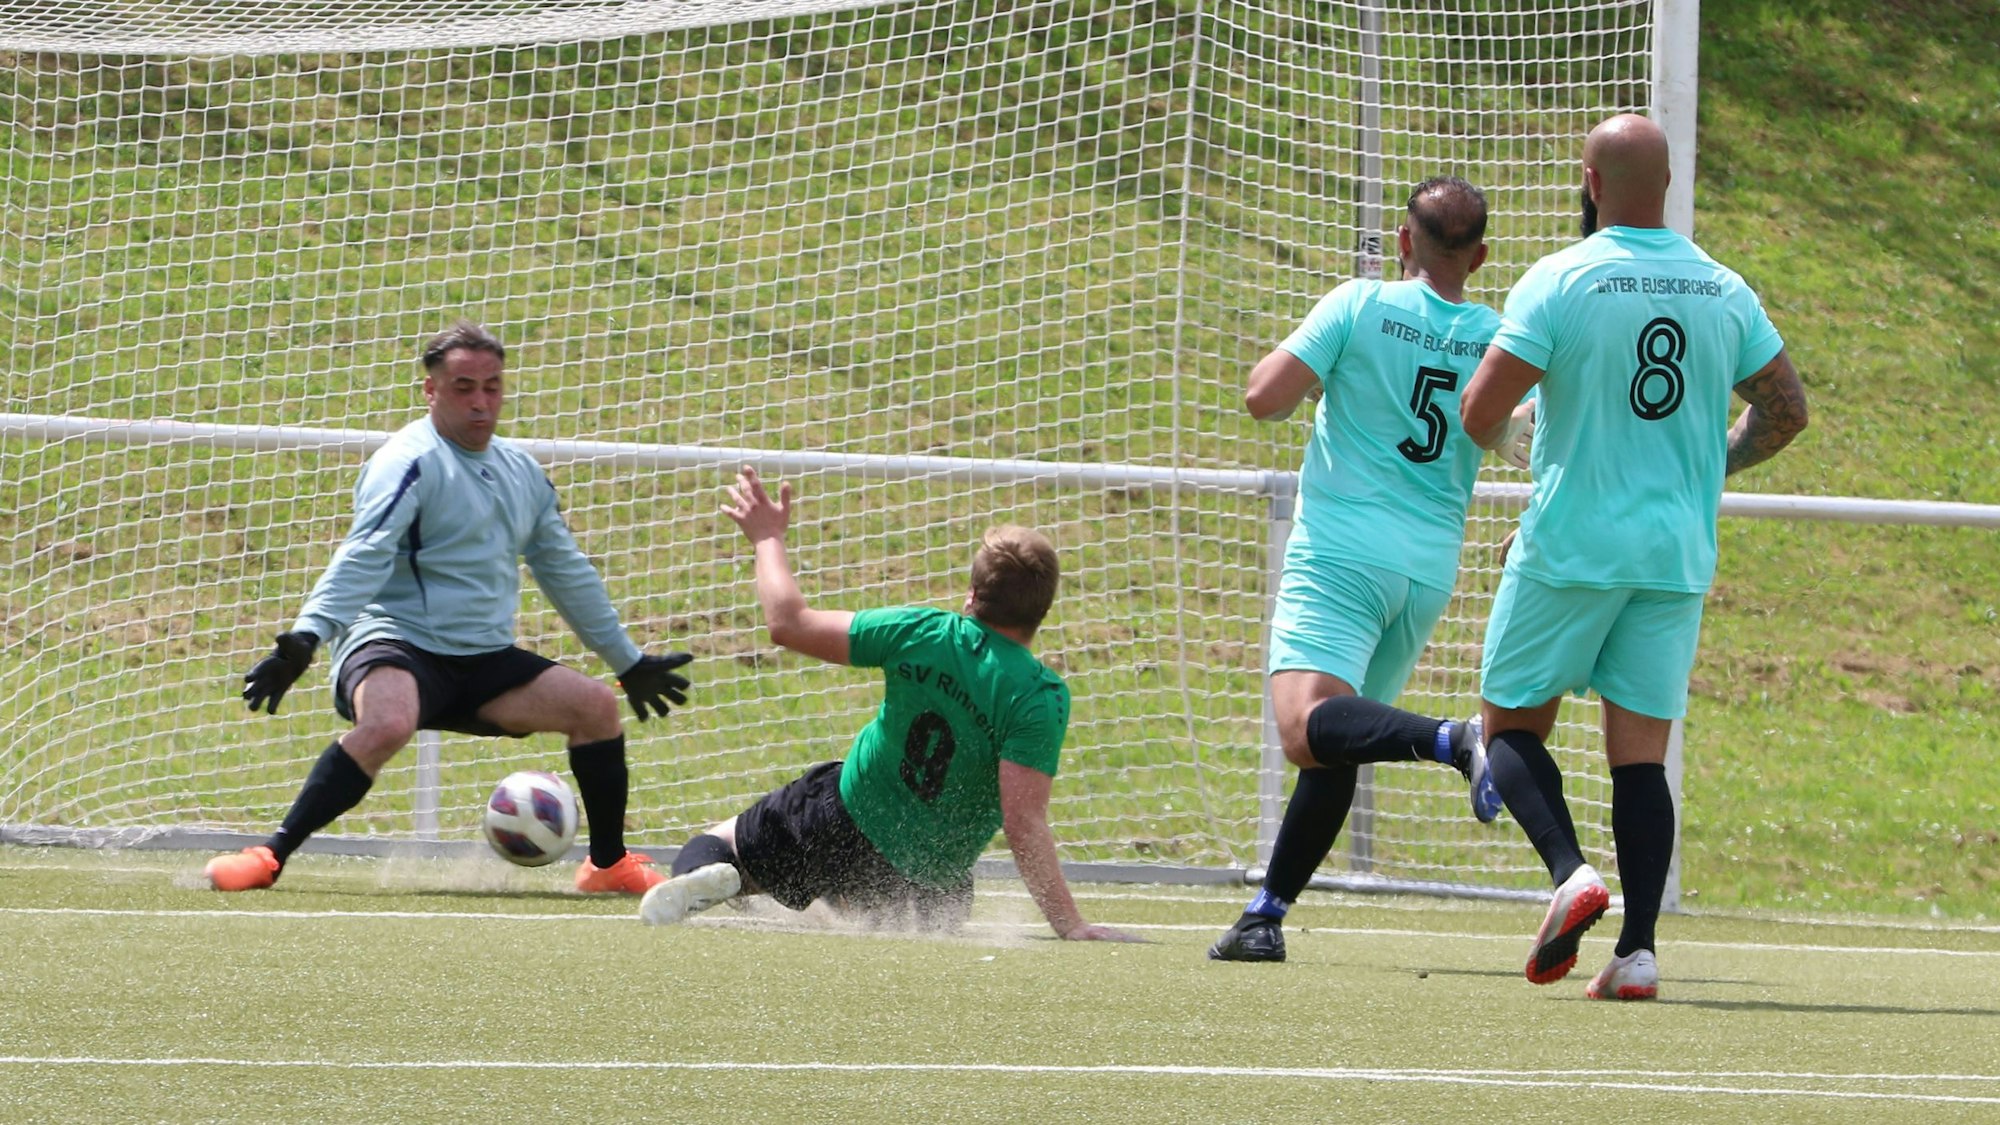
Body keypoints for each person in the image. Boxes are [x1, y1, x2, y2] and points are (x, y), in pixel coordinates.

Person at [1460, 114, 1809, 1000]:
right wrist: (1709, 463)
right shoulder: (1726, 289)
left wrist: (1527, 441)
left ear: (1590, 181)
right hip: (1674, 554)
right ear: (1670, 182)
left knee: (1507, 725)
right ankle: (1639, 952)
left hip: (1573, 543)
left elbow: (1477, 410)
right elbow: (1786, 411)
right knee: (1640, 756)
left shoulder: (1563, 278)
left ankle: (1572, 873)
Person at [207, 320, 694, 895]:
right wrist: (309, 637)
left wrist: (626, 660)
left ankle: (607, 865)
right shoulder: (407, 462)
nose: (481, 402)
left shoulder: (522, 474)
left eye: (492, 386)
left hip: (481, 658)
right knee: (388, 722)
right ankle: (269, 855)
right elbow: (364, 555)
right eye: (464, 388)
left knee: (594, 708)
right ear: (431, 391)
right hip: (395, 641)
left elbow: (565, 572)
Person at [1207, 176, 1537, 963]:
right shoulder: (1497, 337)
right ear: (1481, 256)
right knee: (1341, 736)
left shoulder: (1357, 304)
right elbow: (1512, 436)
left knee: (1303, 726)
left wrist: (1325, 376)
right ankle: (1265, 913)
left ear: (1402, 241)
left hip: (1343, 553)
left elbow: (1262, 398)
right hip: (1425, 571)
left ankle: (1455, 739)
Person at [637, 466, 1142, 943]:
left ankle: (720, 876)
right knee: (936, 906)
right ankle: (827, 902)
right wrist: (1069, 923)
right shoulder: (1039, 694)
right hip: (925, 885)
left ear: (971, 596)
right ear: (1042, 612)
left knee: (721, 846)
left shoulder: (920, 632)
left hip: (837, 819)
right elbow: (1022, 823)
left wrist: (767, 538)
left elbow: (787, 624)